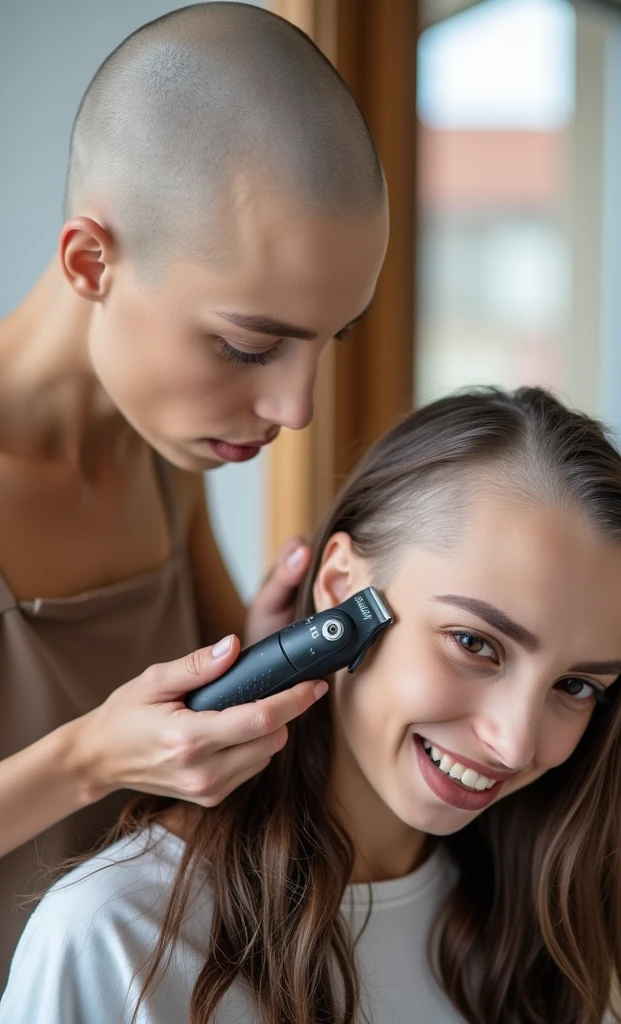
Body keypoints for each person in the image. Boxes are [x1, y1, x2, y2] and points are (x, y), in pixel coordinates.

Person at [1, 386, 621, 1024]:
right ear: (340, 587)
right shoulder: (117, 936)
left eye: (576, 687)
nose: (513, 743)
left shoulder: (542, 932)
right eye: (475, 643)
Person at [0, 1, 388, 983]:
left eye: (323, 341)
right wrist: (89, 756)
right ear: (91, 261)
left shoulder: (167, 453)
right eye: (248, 344)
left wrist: (257, 665)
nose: (293, 406)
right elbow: (110, 760)